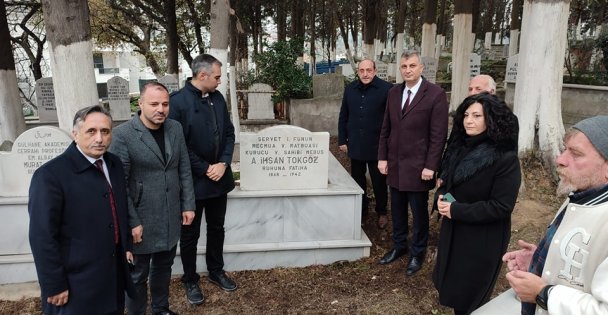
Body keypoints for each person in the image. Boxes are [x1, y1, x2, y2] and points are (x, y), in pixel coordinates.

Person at [473, 115, 608, 314]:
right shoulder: (580, 196)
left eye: (576, 154)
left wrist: (542, 294)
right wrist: (542, 260)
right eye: (565, 149)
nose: (560, 159)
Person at [28, 105, 135, 314]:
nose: (99, 139)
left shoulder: (113, 164)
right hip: (75, 283)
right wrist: (54, 283)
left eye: (105, 131)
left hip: (112, 277)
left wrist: (126, 245)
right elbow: (42, 236)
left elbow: (118, 209)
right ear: (75, 134)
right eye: (91, 131)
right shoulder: (50, 175)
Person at [109, 82, 196, 315]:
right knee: (138, 274)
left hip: (170, 214)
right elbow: (120, 185)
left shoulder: (175, 128)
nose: (161, 109)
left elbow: (183, 168)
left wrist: (188, 204)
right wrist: (131, 221)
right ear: (141, 104)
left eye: (165, 104)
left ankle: (161, 309)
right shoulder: (123, 135)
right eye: (154, 104)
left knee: (164, 267)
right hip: (141, 218)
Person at [432, 93, 521, 315]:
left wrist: (456, 210)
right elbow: (450, 185)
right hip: (455, 229)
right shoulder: (461, 148)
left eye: (476, 115)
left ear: (490, 119)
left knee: (471, 295)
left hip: (482, 238)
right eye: (466, 115)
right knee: (453, 285)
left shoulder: (505, 158)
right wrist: (443, 199)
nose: (468, 120)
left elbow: (501, 206)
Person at [169, 53, 237, 305]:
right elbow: (178, 145)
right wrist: (206, 167)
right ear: (202, 75)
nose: (220, 81)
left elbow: (229, 133)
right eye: (217, 77)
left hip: (220, 177)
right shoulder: (177, 103)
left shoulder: (218, 97)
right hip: (193, 181)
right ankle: (189, 279)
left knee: (217, 228)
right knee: (190, 234)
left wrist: (223, 163)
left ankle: (216, 270)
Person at [377, 50, 449, 275]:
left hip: (419, 168)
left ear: (421, 68)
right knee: (397, 209)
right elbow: (386, 128)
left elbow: (438, 135)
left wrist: (431, 165)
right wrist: (382, 157)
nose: (407, 70)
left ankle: (417, 252)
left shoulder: (435, 94)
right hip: (395, 165)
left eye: (412, 66)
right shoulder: (393, 93)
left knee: (418, 214)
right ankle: (399, 246)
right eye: (404, 66)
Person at [338, 58, 393, 229]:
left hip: (377, 145)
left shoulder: (387, 89)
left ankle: (382, 211)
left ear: (375, 71)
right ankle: (361, 211)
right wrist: (342, 139)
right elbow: (343, 115)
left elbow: (391, 119)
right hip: (356, 144)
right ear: (358, 72)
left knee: (379, 182)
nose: (365, 74)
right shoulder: (350, 89)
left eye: (369, 70)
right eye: (362, 70)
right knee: (358, 179)